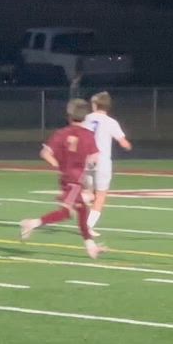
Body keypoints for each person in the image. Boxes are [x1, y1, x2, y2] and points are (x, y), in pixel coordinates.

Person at [19, 98, 103, 259]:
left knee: (80, 211)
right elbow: (94, 159)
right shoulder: (88, 135)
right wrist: (88, 179)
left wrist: (59, 166)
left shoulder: (61, 133)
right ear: (85, 117)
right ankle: (32, 223)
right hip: (76, 179)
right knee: (68, 212)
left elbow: (45, 153)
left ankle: (91, 247)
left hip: (67, 178)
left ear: (69, 116)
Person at [82, 91, 133, 236]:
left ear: (95, 104)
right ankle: (88, 226)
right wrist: (128, 146)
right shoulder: (111, 122)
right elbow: (123, 142)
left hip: (87, 160)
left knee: (89, 192)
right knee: (100, 195)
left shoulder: (87, 118)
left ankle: (82, 202)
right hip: (103, 161)